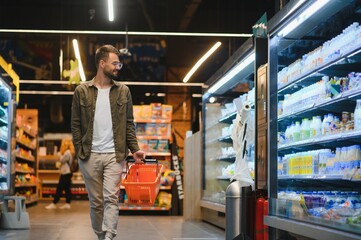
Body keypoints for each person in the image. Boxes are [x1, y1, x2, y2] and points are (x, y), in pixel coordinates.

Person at [71, 45, 145, 240]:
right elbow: (75, 125)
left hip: (115, 154)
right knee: (96, 202)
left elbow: (129, 124)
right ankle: (100, 235)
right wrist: (79, 150)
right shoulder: (82, 91)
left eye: (119, 63)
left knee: (111, 199)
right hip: (89, 155)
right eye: (114, 63)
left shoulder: (123, 91)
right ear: (102, 63)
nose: (117, 67)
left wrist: (134, 149)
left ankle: (109, 236)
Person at [45, 139, 75, 210]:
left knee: (59, 188)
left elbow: (62, 160)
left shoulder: (67, 152)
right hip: (67, 172)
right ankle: (67, 203)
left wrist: (59, 155)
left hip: (65, 172)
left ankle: (54, 203)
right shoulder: (70, 152)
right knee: (67, 188)